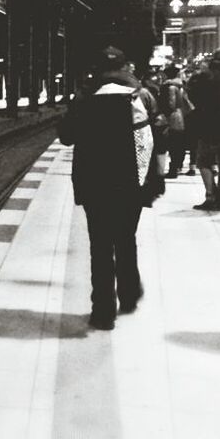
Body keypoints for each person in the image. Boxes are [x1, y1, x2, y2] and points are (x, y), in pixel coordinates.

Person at [58, 46, 152, 330]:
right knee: (126, 237)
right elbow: (155, 136)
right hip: (131, 181)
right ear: (125, 67)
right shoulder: (141, 95)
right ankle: (129, 293)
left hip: (95, 181)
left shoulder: (85, 98)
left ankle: (103, 311)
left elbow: (66, 137)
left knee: (100, 245)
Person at [185, 47, 220, 209]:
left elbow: (192, 94)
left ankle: (211, 195)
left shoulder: (203, 78)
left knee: (204, 161)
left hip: (207, 126)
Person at [160, 65, 192, 178]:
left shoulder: (170, 87)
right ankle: (177, 166)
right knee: (178, 143)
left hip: (173, 117)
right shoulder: (181, 85)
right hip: (181, 116)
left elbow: (171, 104)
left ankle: (173, 169)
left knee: (173, 144)